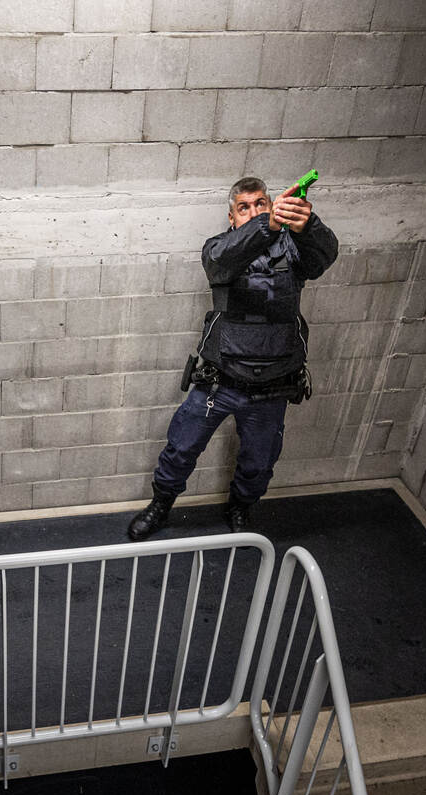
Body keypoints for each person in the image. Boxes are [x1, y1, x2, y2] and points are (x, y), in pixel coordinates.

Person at [127, 175, 339, 540]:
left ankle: (241, 507)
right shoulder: (220, 248)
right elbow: (220, 261)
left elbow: (324, 256)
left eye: (261, 204)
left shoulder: (293, 249)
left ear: (273, 206)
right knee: (181, 449)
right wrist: (266, 226)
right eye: (245, 208)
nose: (255, 212)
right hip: (220, 380)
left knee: (259, 463)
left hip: (273, 385)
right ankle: (161, 504)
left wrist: (309, 225)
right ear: (232, 217)